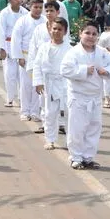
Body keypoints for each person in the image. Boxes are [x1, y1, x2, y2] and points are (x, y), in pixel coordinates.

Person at [61, 21, 110, 170]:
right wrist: (84, 70)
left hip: (95, 97)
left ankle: (88, 157)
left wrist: (107, 71)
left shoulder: (102, 52)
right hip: (78, 97)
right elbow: (65, 70)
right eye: (87, 33)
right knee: (77, 129)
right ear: (80, 34)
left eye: (94, 34)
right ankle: (76, 157)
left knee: (94, 128)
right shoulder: (73, 52)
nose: (91, 36)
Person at [33, 18, 71, 149]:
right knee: (50, 113)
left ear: (65, 32)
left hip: (66, 84)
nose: (56, 31)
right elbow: (37, 65)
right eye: (54, 28)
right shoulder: (44, 47)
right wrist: (38, 82)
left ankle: (70, 141)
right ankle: (50, 139)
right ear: (50, 29)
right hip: (49, 84)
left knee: (68, 113)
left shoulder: (70, 48)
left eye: (60, 29)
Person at [12, 0, 46, 122]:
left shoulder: (45, 21)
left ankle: (35, 112)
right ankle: (25, 111)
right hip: (26, 56)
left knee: (38, 85)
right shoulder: (23, 20)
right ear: (30, 7)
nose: (38, 10)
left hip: (40, 58)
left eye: (40, 7)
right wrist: (19, 57)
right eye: (35, 7)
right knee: (26, 85)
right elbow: (16, 40)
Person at [0, 0, 28, 107]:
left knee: (22, 74)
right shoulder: (4, 13)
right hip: (8, 45)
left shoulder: (25, 12)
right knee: (10, 73)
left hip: (21, 46)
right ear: (10, 0)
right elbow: (1, 31)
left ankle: (22, 98)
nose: (18, 1)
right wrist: (2, 48)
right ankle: (10, 98)